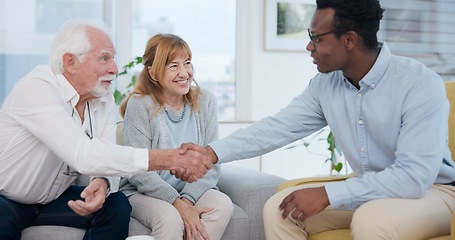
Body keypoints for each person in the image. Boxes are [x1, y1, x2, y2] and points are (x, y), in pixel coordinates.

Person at [182, 0, 455, 239]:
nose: (309, 46)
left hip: (434, 193)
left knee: (372, 219)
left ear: (349, 40)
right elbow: (277, 128)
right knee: (280, 211)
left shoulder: (419, 84)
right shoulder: (326, 85)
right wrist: (211, 153)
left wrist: (327, 194)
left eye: (317, 38)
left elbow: (413, 178)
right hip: (371, 193)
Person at [0, 19, 212, 240]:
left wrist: (101, 182)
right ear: (70, 62)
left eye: (113, 58)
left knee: (116, 204)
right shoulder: (37, 89)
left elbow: (106, 152)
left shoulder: (101, 97)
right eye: (104, 58)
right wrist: (169, 159)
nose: (115, 68)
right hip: (7, 199)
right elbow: (83, 155)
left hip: (54, 199)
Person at [119, 34, 233, 240]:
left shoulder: (205, 100)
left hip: (191, 191)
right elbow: (138, 171)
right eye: (173, 66)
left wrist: (187, 201)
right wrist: (176, 202)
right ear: (153, 73)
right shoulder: (139, 105)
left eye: (187, 63)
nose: (184, 73)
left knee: (222, 205)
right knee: (170, 217)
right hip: (144, 192)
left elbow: (211, 161)